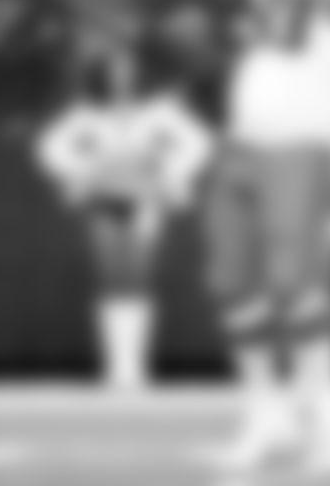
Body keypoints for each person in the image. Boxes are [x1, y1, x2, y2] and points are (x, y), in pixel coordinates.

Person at [202, 0, 330, 475]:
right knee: (231, 281)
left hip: (303, 141)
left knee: (295, 282)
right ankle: (266, 416)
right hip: (242, 139)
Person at [37, 50, 213, 392]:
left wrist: (168, 169)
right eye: (114, 71)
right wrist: (85, 170)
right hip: (104, 199)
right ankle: (117, 368)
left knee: (138, 277)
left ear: (139, 75)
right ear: (103, 76)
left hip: (145, 199)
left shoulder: (161, 111)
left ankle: (135, 367)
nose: (122, 78)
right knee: (111, 278)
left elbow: (199, 143)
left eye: (128, 71)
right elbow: (49, 147)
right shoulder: (87, 114)